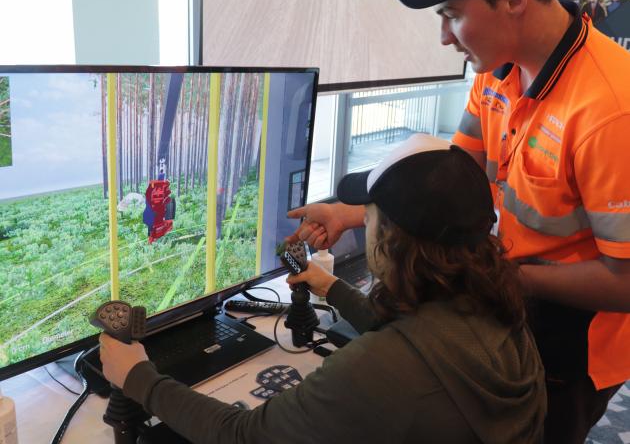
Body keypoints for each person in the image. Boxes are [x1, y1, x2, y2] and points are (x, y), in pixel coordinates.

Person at [288, 0, 630, 442]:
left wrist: (505, 275)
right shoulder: (496, 73)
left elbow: (624, 283)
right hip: (506, 302)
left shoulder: (609, 110)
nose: (445, 38)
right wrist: (351, 212)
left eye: (452, 14)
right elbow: (449, 180)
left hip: (572, 345)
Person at [99, 134, 546, 443]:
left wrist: (139, 377)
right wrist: (330, 287)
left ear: (389, 236)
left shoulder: (381, 369)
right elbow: (428, 343)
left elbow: (245, 436)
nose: (362, 225)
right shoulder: (496, 312)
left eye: (367, 216)